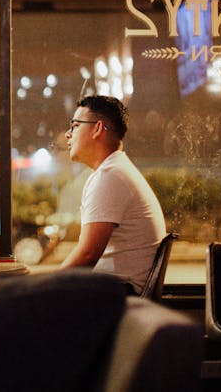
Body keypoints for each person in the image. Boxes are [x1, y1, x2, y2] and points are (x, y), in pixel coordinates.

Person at [60, 95, 166, 294]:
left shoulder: (111, 175)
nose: (68, 134)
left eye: (75, 126)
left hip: (117, 295)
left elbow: (88, 255)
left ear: (97, 128)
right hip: (113, 291)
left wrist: (46, 285)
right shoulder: (116, 169)